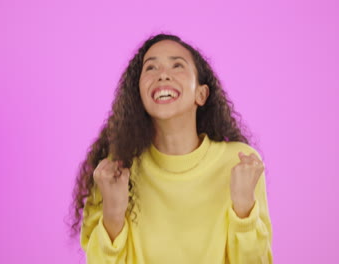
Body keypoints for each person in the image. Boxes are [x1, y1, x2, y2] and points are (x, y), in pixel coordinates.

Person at [69, 33, 273, 263]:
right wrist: (113, 215)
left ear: (201, 93)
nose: (163, 75)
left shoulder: (239, 163)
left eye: (177, 65)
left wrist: (244, 210)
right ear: (139, 95)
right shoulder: (114, 172)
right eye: (151, 68)